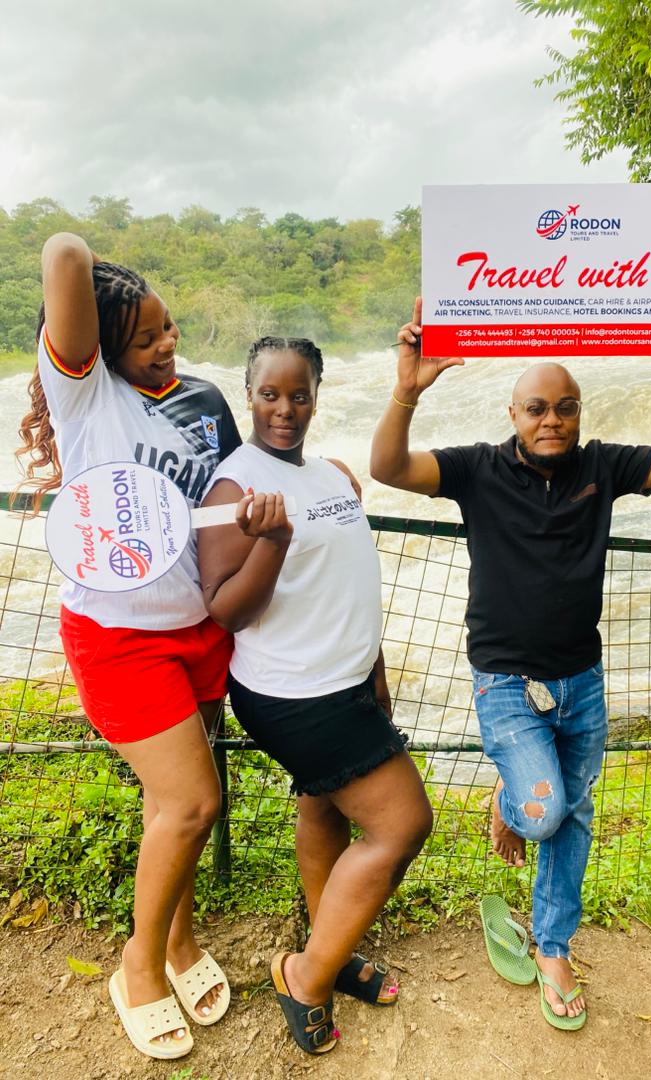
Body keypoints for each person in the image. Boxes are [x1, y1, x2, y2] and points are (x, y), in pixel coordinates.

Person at [369, 295, 651, 1031]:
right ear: (513, 414)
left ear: (579, 413)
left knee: (573, 815)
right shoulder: (478, 469)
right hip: (505, 681)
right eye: (537, 408)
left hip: (582, 679)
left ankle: (553, 947)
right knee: (545, 811)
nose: (552, 419)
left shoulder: (602, 466)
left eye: (566, 407)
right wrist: (406, 392)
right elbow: (387, 467)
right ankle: (513, 800)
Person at [16, 233, 241, 1060]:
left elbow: (238, 487)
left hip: (201, 629)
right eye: (145, 337)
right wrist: (95, 276)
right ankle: (138, 968)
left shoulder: (202, 399)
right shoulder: (85, 397)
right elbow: (65, 254)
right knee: (194, 802)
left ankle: (180, 942)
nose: (167, 342)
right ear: (102, 349)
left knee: (168, 807)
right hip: (119, 640)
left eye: (169, 327)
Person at [197, 334, 434, 1055]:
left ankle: (329, 949)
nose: (284, 409)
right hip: (293, 692)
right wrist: (271, 540)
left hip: (347, 680)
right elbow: (225, 610)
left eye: (298, 395)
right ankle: (304, 975)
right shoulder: (235, 488)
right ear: (249, 395)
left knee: (324, 809)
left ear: (316, 397)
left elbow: (347, 580)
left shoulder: (333, 475)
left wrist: (377, 671)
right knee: (403, 825)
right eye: (270, 394)